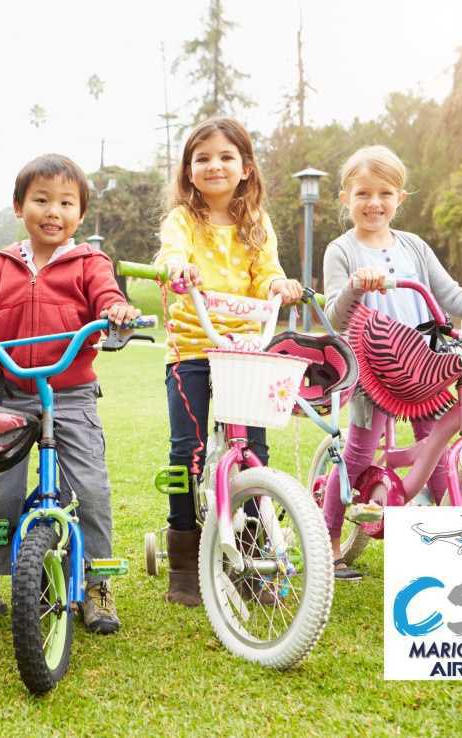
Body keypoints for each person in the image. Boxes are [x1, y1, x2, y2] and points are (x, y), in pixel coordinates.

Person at [322, 145, 462, 580]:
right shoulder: (341, 250)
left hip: (423, 365)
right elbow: (333, 314)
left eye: (385, 193)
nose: (374, 203)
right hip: (370, 367)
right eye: (363, 193)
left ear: (400, 198)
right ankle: (328, 537)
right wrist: (354, 286)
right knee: (358, 452)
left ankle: (454, 538)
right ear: (345, 197)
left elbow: (457, 299)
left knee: (438, 448)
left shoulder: (415, 247)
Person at [0, 154, 139, 634]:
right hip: (12, 393)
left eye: (66, 203)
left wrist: (116, 311)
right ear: (19, 206)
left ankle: (96, 585)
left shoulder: (90, 262)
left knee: (88, 489)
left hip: (71, 395)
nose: (53, 211)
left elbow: (107, 297)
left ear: (80, 214)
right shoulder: (3, 265)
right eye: (41, 200)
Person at [151, 117, 303, 607]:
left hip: (245, 349)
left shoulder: (256, 223)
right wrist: (178, 268)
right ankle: (184, 552)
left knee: (254, 448)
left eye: (225, 157)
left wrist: (278, 286)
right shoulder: (182, 221)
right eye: (203, 158)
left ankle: (256, 553)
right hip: (192, 349)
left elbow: (267, 273)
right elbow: (171, 256)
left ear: (245, 168)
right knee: (186, 451)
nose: (214, 165)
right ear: (189, 170)